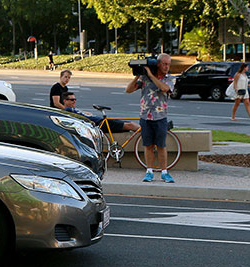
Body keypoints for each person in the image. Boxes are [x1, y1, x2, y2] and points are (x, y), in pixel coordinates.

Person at [126, 53, 175, 183]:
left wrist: (151, 76)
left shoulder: (169, 78)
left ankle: (164, 172)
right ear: (158, 64)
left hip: (160, 117)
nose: (166, 67)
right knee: (148, 145)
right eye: (164, 64)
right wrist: (138, 74)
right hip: (145, 116)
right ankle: (149, 171)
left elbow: (165, 88)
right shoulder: (144, 78)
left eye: (168, 64)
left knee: (161, 145)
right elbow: (128, 90)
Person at [61, 92, 139, 132]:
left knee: (128, 124)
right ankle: (148, 135)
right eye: (72, 100)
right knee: (130, 125)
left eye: (75, 99)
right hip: (100, 124)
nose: (74, 101)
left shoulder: (72, 109)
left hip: (101, 121)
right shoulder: (68, 110)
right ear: (65, 101)